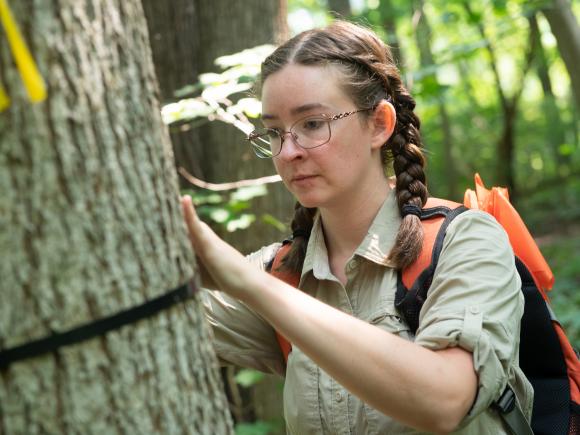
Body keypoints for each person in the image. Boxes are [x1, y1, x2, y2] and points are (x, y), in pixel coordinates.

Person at [181, 20, 533, 434]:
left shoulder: (466, 240)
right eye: (275, 132)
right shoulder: (283, 273)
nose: (288, 151)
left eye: (312, 123)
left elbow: (446, 400)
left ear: (380, 124)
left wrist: (252, 287)